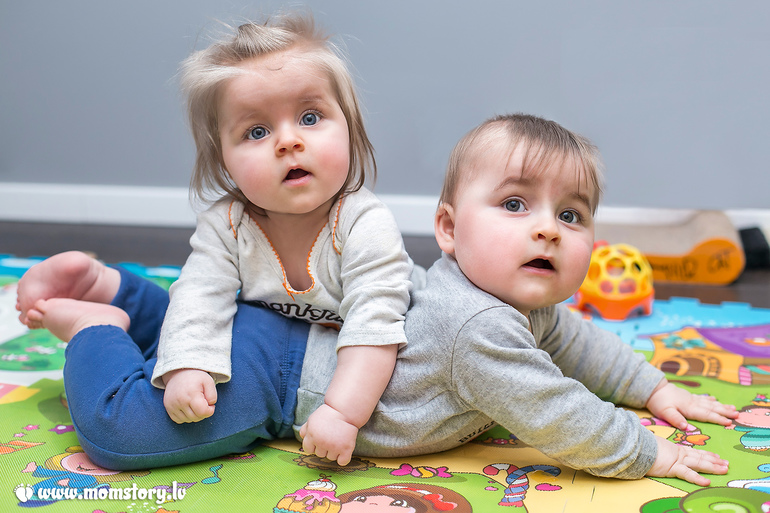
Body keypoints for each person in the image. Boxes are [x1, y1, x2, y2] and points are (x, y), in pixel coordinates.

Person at [15, 12, 413, 469]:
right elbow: (202, 296)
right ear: (223, 159)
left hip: (298, 347)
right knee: (136, 413)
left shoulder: (365, 225)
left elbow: (373, 326)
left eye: (310, 117)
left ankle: (113, 295)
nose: (288, 141)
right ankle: (98, 313)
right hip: (261, 332)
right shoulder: (228, 222)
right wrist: (186, 365)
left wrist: (343, 412)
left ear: (350, 125)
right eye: (256, 132)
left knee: (218, 327)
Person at [294, 113, 739, 485]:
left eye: (570, 215)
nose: (548, 229)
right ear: (449, 229)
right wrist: (647, 453)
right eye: (514, 204)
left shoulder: (521, 303)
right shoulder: (477, 323)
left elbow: (578, 345)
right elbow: (555, 412)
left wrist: (651, 387)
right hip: (291, 380)